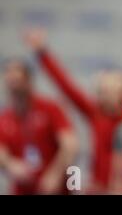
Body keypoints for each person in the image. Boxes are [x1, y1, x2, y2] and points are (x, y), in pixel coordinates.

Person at [23, 29, 122, 193]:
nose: (108, 93)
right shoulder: (95, 113)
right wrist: (42, 53)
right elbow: (67, 87)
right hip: (98, 187)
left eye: (114, 88)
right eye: (103, 89)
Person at [0, 58, 78, 194]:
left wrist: (55, 173)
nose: (14, 89)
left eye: (18, 82)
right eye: (11, 83)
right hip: (24, 190)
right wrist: (11, 164)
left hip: (54, 190)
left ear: (28, 81)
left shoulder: (49, 108)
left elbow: (70, 144)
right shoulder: (5, 118)